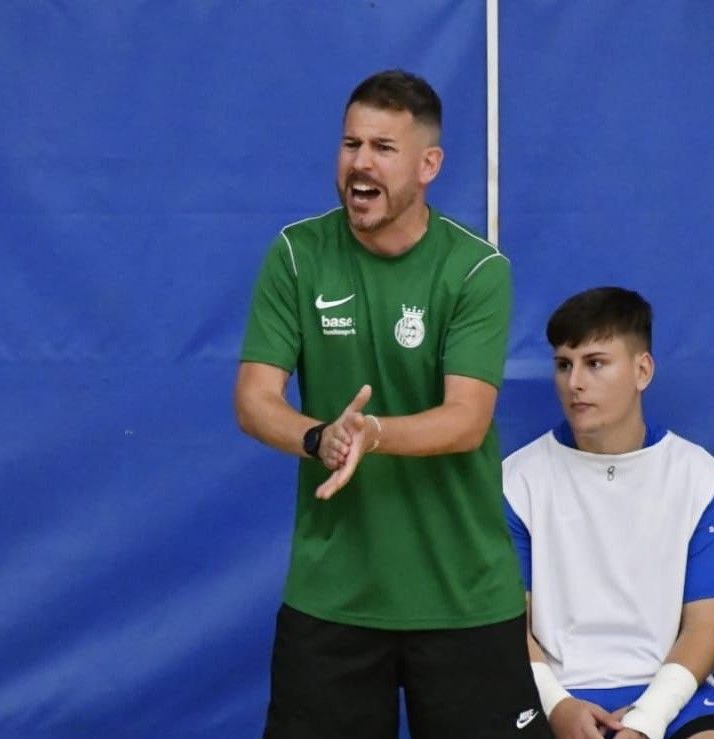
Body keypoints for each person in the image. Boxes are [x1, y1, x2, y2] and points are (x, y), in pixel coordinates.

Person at [235, 69, 551, 739]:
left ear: (428, 165)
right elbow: (255, 399)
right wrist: (319, 436)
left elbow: (466, 420)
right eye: (351, 144)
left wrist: (370, 433)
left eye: (383, 147)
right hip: (333, 596)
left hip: (462, 595)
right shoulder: (297, 255)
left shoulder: (475, 270)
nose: (360, 163)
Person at [503, 287, 714, 739]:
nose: (575, 382)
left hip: (666, 689)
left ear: (642, 371)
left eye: (595, 363)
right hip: (553, 689)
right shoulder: (517, 479)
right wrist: (558, 706)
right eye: (564, 364)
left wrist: (648, 719)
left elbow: (705, 629)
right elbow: (508, 625)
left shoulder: (698, 475)